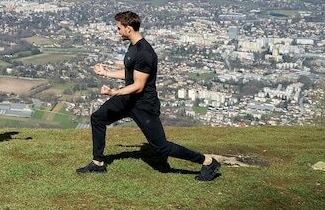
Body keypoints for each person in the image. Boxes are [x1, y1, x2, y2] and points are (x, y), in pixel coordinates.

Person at [76, 10, 222, 182]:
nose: (117, 31)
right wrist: (106, 73)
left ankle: (208, 162)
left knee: (161, 148)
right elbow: (130, 74)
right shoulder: (133, 47)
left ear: (129, 28)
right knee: (98, 118)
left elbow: (138, 86)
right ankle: (98, 163)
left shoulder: (144, 52)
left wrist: (113, 92)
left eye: (119, 28)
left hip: (144, 105)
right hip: (128, 100)